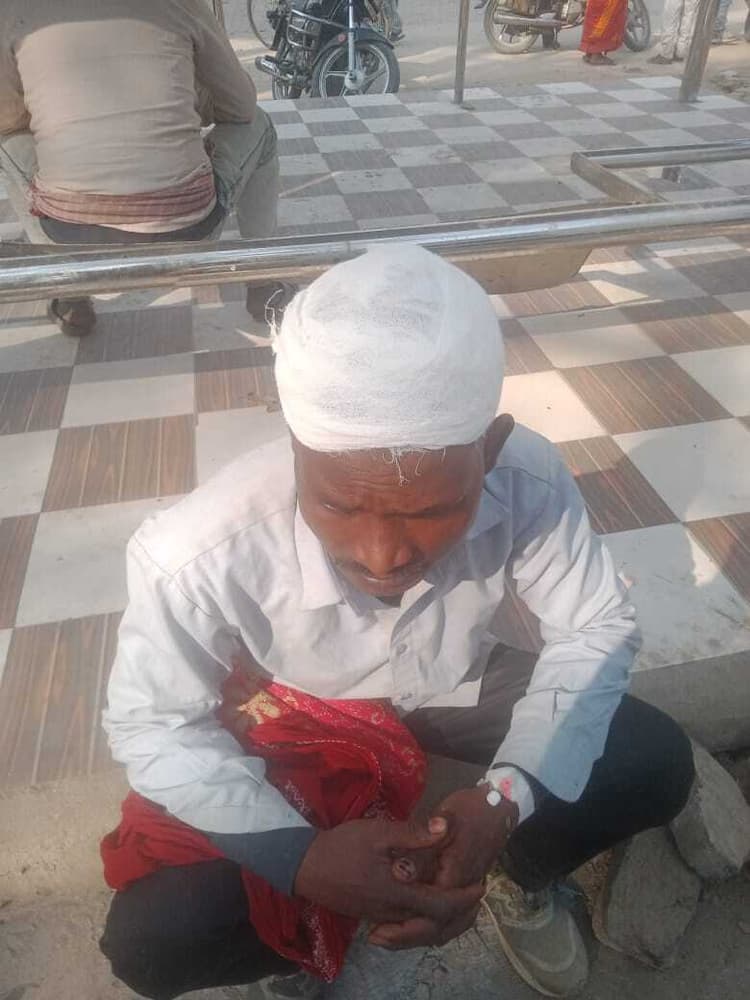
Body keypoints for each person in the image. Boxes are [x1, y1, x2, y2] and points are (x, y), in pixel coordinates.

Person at [99, 246, 695, 1000]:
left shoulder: (526, 476)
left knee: (653, 763)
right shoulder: (195, 551)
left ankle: (512, 876)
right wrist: (300, 859)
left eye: (434, 509)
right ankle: (301, 943)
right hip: (299, 703)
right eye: (339, 505)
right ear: (296, 450)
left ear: (489, 450)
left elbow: (595, 627)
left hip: (452, 680)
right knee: (155, 941)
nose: (382, 555)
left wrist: (505, 799)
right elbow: (152, 724)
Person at [0, 0, 287, 337]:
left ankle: (69, 291)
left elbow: (9, 119)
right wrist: (189, 103)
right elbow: (240, 108)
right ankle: (263, 283)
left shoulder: (13, 9)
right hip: (189, 232)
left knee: (7, 142)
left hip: (67, 238)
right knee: (260, 126)